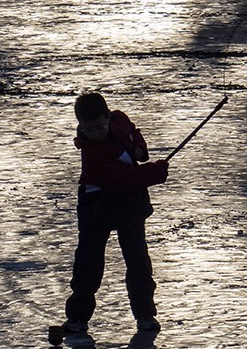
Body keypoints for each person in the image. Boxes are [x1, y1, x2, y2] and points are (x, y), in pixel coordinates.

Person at [61, 93, 169, 334]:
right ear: (80, 126)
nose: (96, 133)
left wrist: (140, 149)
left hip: (130, 204)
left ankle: (145, 315)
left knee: (138, 260)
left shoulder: (119, 120)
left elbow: (133, 131)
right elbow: (125, 179)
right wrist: (156, 172)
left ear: (109, 117)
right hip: (96, 208)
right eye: (88, 129)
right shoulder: (92, 154)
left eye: (100, 126)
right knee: (88, 262)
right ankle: (77, 318)